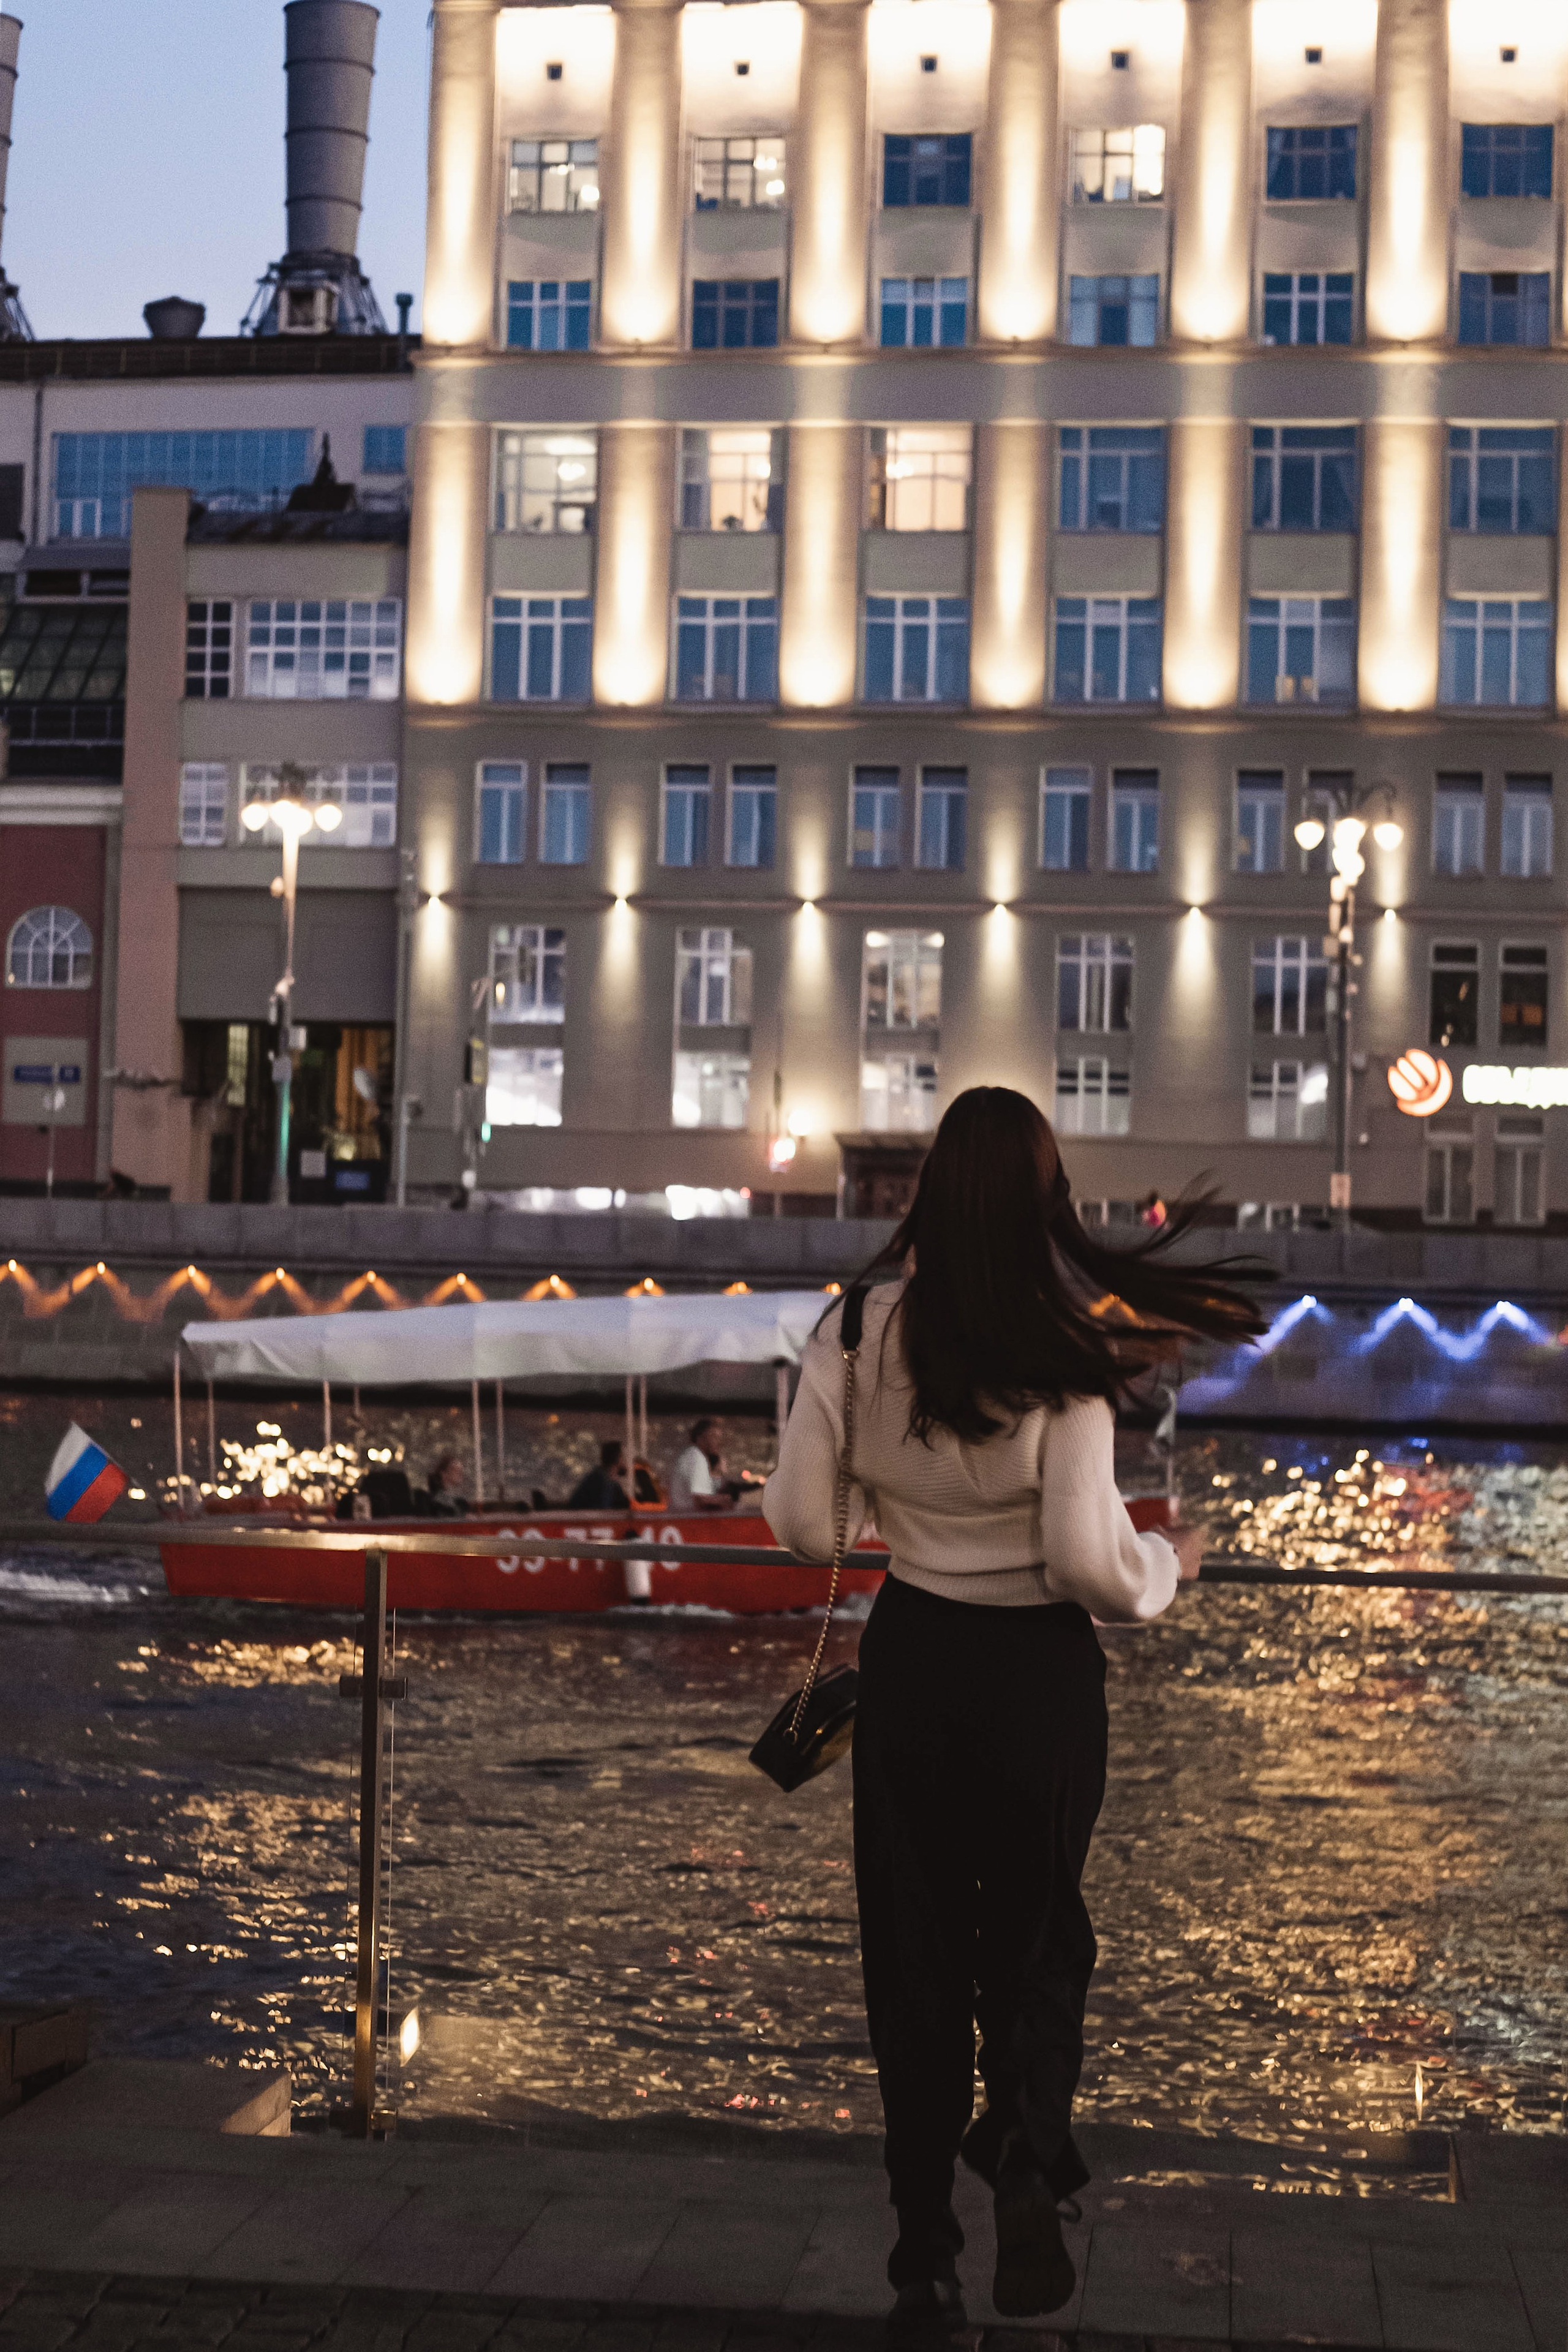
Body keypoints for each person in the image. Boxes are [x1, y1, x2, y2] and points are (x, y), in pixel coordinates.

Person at [764, 1087, 1262, 2346]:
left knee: (914, 1958)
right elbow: (1090, 1565)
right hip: (1036, 1679)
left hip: (915, 1662)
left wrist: (900, 1500)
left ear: (927, 1196)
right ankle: (1027, 2156)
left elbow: (797, 1522)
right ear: (1046, 1205)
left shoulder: (856, 1328)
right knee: (1037, 1940)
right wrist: (1168, 1566)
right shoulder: (1062, 1353)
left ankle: (921, 2260)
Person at [669, 1417, 729, 1511]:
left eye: (719, 1438)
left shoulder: (695, 1455)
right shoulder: (696, 1458)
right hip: (688, 1517)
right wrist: (727, 1500)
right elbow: (700, 1500)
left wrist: (718, 1474)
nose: (719, 1442)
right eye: (714, 1437)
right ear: (700, 1438)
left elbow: (707, 1493)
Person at [569, 1439, 630, 1510]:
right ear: (618, 1459)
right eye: (624, 1457)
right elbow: (603, 1512)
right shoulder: (600, 1481)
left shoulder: (613, 1484)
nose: (627, 1461)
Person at [421, 1450, 469, 1518]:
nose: (461, 1474)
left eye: (461, 1471)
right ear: (444, 1474)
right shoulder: (437, 1501)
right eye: (456, 1470)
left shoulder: (460, 1501)